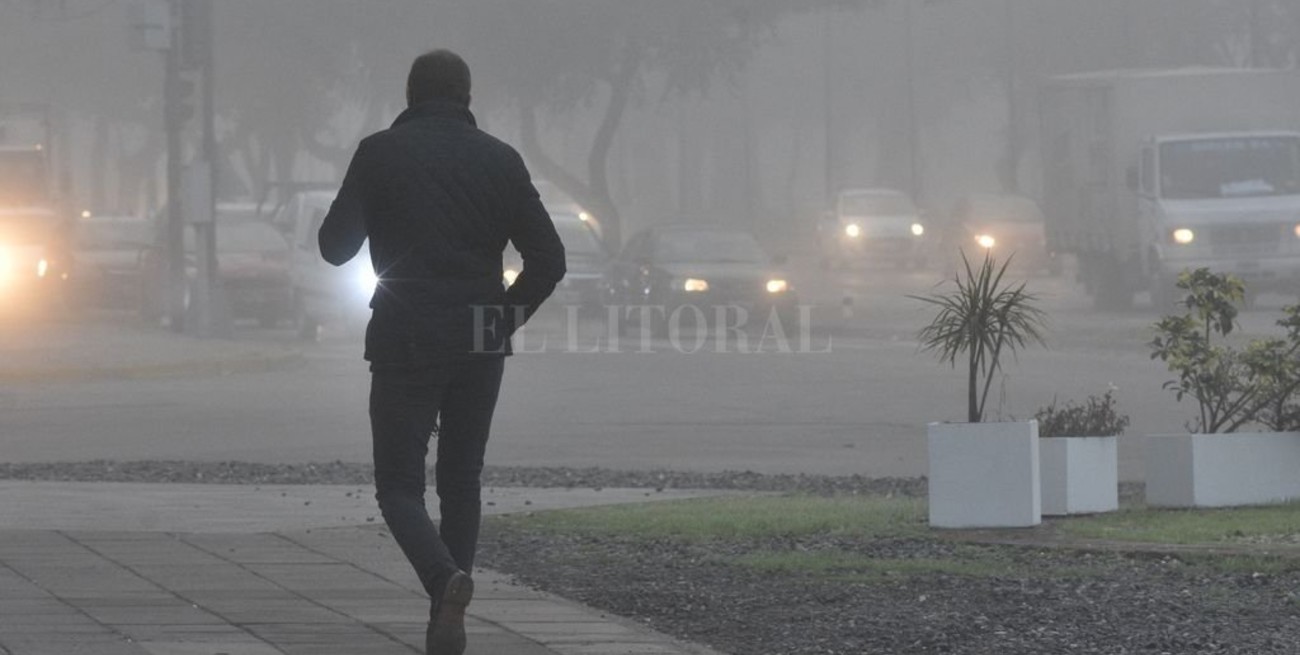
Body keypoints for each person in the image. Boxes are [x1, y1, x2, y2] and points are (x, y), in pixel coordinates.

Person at [318, 49, 566, 655]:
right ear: (467, 96)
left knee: (398, 485)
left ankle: (444, 581)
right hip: (479, 342)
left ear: (410, 94)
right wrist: (498, 322)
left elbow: (334, 248)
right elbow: (550, 261)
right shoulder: (502, 160)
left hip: (405, 335)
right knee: (461, 479)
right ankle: (445, 619)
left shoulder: (379, 153)